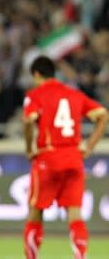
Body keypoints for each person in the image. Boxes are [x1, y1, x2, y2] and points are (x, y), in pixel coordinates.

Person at [22, 56, 108, 259]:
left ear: (36, 74)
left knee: (35, 212)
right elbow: (103, 115)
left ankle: (32, 257)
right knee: (75, 214)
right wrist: (89, 146)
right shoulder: (74, 94)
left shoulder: (35, 95)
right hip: (73, 158)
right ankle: (80, 256)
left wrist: (29, 148)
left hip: (47, 158)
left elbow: (28, 121)